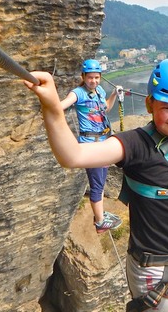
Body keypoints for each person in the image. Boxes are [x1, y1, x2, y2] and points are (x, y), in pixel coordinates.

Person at [25, 58, 168, 312]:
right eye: (167, 108)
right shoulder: (134, 144)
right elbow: (72, 156)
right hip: (155, 270)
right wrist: (52, 106)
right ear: (150, 104)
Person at [60, 59, 122, 233]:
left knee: (100, 183)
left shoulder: (99, 91)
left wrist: (114, 94)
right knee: (97, 185)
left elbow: (106, 109)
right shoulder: (78, 93)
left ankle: (99, 214)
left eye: (96, 77)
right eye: (90, 78)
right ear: (83, 77)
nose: (93, 81)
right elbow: (62, 106)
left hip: (102, 142)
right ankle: (101, 222)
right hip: (90, 145)